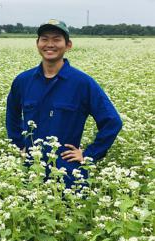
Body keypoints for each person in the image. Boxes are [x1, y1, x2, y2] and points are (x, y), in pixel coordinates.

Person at [6, 19, 122, 187]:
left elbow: (112, 121)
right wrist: (19, 146)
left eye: (56, 39)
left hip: (67, 174)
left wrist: (89, 154)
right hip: (30, 172)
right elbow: (12, 115)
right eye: (44, 39)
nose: (50, 44)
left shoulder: (82, 83)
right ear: (37, 43)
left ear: (68, 45)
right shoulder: (23, 81)